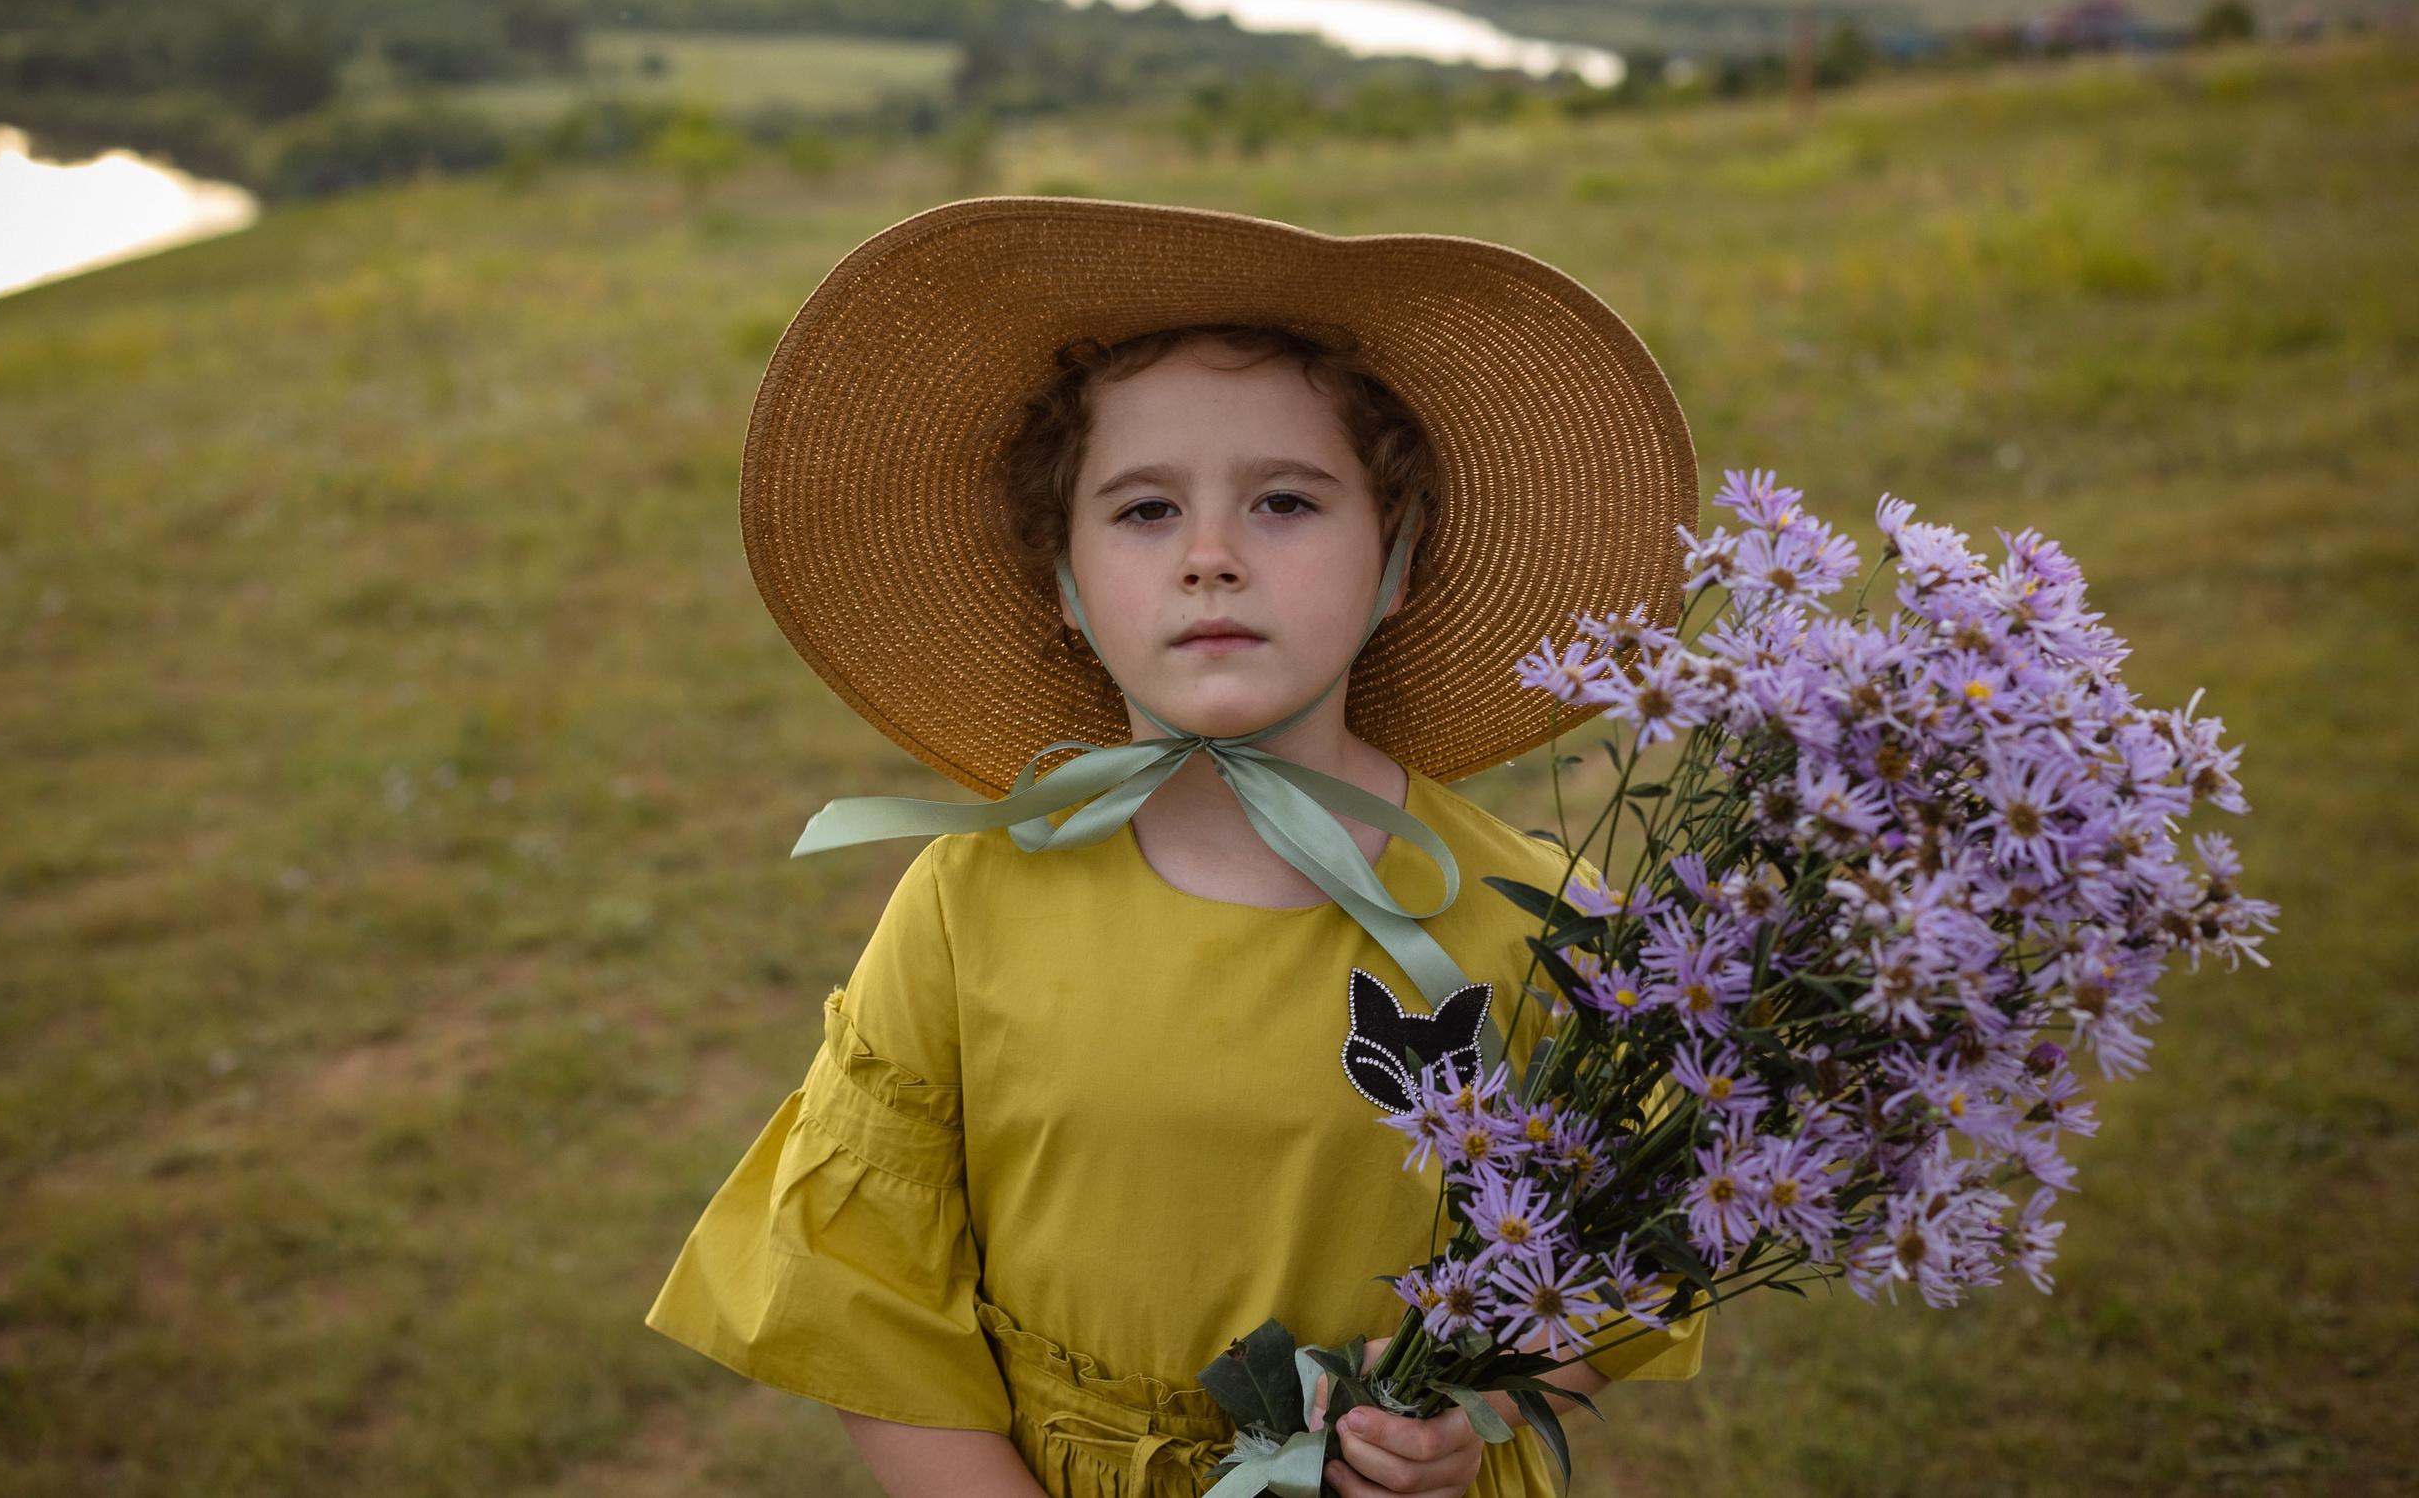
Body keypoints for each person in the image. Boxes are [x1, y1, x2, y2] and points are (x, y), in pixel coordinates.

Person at [648, 198, 1705, 1497]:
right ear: (1066, 583)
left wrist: (1478, 1403)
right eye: (1146, 512)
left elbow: (1641, 1238)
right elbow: (866, 1293)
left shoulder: (1533, 919)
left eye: (1283, 502)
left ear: (1399, 556)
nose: (1212, 557)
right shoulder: (971, 899)